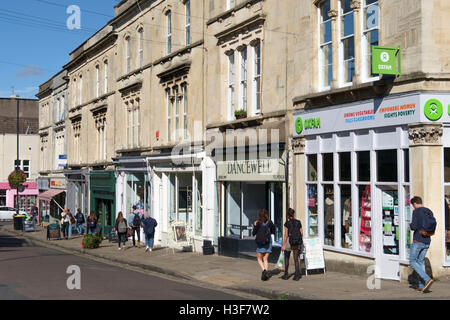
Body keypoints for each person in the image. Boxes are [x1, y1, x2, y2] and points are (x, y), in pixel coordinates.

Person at [409, 196, 435, 293]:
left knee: (412, 261)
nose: (413, 207)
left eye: (413, 205)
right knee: (420, 262)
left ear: (415, 204)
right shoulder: (429, 211)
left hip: (418, 240)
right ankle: (422, 286)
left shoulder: (416, 212)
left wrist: (410, 225)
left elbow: (414, 226)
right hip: (427, 240)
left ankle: (427, 279)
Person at [252, 209, 276, 281]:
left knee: (259, 259)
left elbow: (253, 233)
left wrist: (254, 225)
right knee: (265, 259)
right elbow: (273, 232)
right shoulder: (270, 222)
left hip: (260, 243)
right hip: (268, 242)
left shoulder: (258, 223)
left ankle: (264, 271)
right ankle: (265, 274)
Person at [281, 208, 303, 281]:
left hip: (289, 241)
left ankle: (286, 274)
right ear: (294, 214)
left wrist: (283, 245)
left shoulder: (287, 223)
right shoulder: (298, 222)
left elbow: (286, 235)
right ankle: (297, 275)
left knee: (286, 257)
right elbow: (301, 233)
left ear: (287, 215)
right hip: (297, 242)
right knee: (296, 259)